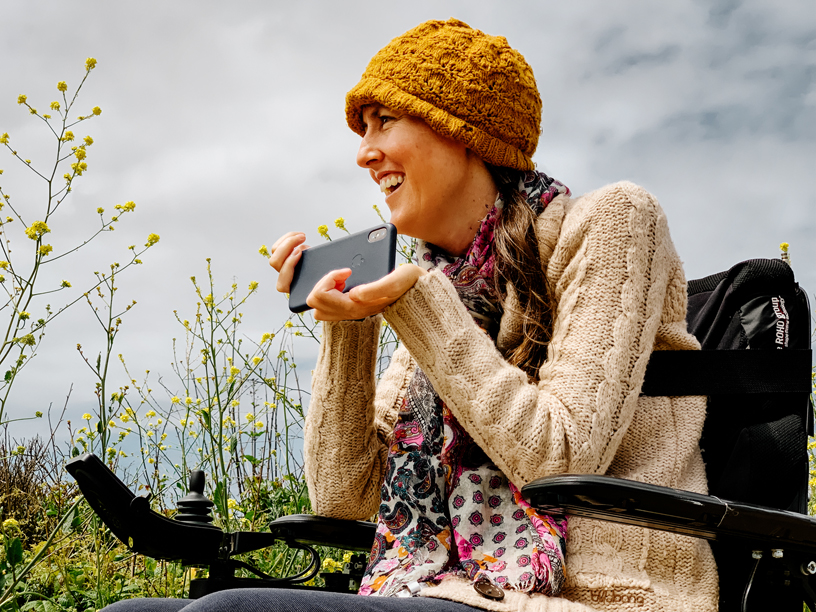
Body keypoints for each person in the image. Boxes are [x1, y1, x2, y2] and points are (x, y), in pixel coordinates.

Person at [103, 18, 718, 612]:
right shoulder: (442, 282)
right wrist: (350, 324)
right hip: (442, 587)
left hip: (591, 594)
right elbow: (345, 497)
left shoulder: (613, 222)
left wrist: (415, 303)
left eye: (383, 122)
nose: (364, 155)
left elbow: (562, 458)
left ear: (464, 130)